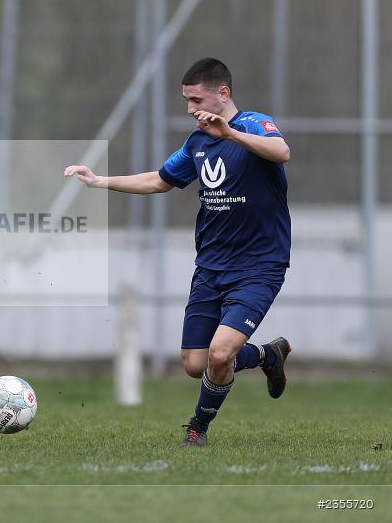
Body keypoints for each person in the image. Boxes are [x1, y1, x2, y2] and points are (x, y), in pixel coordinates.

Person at [65, 57, 292, 447]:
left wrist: (231, 136)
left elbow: (281, 151)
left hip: (259, 265)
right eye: (186, 100)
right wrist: (98, 180)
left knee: (221, 357)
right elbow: (159, 180)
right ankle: (266, 356)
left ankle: (197, 429)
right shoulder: (197, 142)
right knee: (196, 364)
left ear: (223, 94)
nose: (189, 109)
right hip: (210, 265)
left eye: (195, 99)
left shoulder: (253, 124)